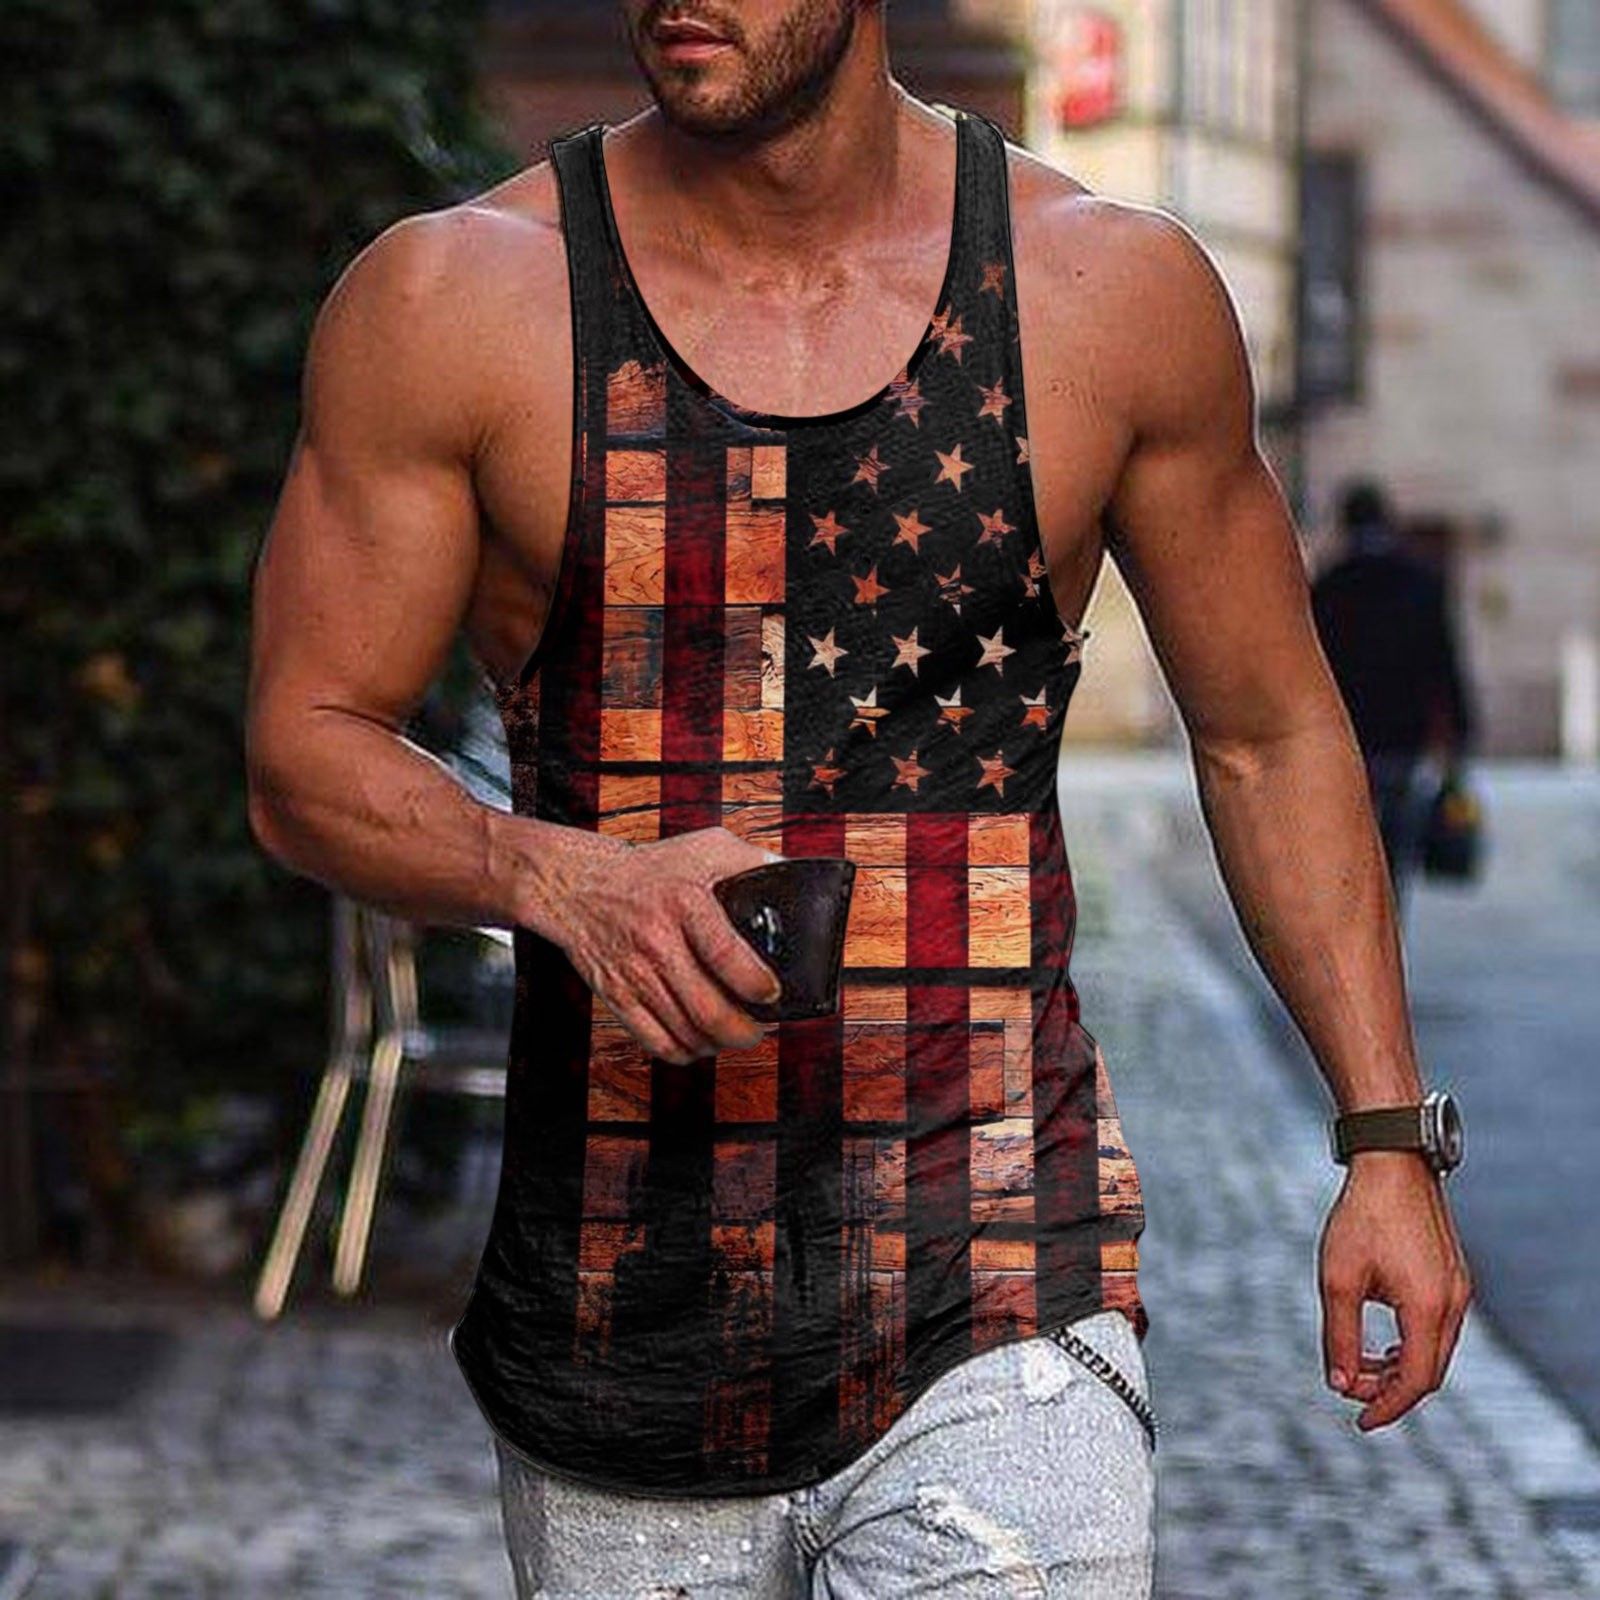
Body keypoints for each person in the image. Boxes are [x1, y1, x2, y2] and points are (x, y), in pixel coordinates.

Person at [245, 2, 1474, 1593]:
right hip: (622, 1314)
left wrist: (1386, 1137)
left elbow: (1269, 733)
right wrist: (561, 881)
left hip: (1002, 1276)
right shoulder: (459, 300)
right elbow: (305, 746)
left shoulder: (1104, 295)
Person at [1311, 480, 1478, 917]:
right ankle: (1388, 927)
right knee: (1396, 843)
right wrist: (1459, 731)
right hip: (1405, 735)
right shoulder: (1421, 582)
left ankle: (1361, 923)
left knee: (1353, 841)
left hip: (1349, 734)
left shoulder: (1330, 585)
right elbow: (1444, 660)